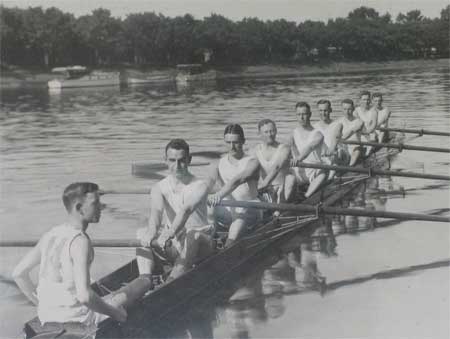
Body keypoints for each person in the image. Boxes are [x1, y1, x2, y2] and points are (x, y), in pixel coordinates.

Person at [12, 182, 152, 326]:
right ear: (79, 208)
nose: (101, 207)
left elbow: (18, 274)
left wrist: (40, 305)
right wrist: (115, 314)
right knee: (143, 283)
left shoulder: (51, 234)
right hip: (79, 319)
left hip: (46, 316)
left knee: (108, 296)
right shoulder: (80, 242)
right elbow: (84, 296)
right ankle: (147, 277)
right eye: (95, 203)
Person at [138, 139, 215, 279]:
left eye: (181, 160)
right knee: (142, 233)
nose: (177, 166)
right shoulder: (158, 187)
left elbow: (186, 210)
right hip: (175, 243)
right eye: (172, 160)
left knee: (193, 235)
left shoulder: (200, 185)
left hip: (201, 244)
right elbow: (156, 212)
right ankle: (144, 280)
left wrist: (170, 232)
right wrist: (151, 233)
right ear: (165, 160)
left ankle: (171, 281)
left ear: (189, 160)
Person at [207, 124, 262, 247]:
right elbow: (208, 184)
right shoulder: (217, 163)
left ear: (243, 141)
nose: (231, 147)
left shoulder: (253, 162)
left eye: (236, 142)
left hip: (250, 207)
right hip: (227, 208)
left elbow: (238, 180)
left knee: (239, 217)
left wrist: (219, 195)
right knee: (207, 209)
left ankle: (227, 249)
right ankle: (207, 241)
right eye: (228, 142)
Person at [289, 102, 328, 198]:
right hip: (298, 171)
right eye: (299, 114)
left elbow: (309, 148)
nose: (301, 117)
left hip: (313, 172)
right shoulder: (293, 133)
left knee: (324, 172)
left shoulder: (318, 134)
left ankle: (306, 197)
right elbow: (288, 149)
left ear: (310, 115)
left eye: (304, 114)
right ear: (296, 116)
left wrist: (298, 158)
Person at [252, 119, 296, 203]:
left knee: (291, 178)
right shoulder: (255, 150)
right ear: (259, 134)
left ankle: (280, 209)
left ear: (276, 131)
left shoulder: (284, 148)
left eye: (272, 131)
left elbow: (277, 166)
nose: (270, 135)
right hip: (266, 189)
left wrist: (263, 185)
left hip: (283, 189)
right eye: (266, 132)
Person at [313, 99, 346, 179]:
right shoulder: (314, 127)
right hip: (324, 157)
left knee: (335, 154)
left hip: (337, 155)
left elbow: (336, 137)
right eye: (320, 111)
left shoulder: (338, 125)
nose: (323, 113)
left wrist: (332, 148)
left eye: (325, 110)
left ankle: (330, 180)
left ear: (330, 110)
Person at [337, 98, 365, 166]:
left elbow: (347, 135)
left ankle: (350, 167)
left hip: (355, 147)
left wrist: (341, 139)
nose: (347, 112)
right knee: (338, 151)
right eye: (345, 109)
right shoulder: (338, 121)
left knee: (357, 150)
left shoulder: (359, 122)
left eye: (349, 109)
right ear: (342, 109)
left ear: (353, 109)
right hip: (344, 147)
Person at [354, 90, 378, 155]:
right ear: (360, 100)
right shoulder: (356, 111)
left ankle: (367, 154)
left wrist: (366, 134)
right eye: (364, 99)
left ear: (370, 100)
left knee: (369, 149)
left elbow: (373, 126)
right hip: (359, 133)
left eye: (368, 99)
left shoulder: (373, 111)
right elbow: (356, 125)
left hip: (370, 134)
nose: (366, 102)